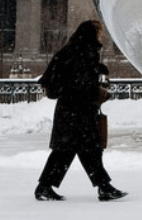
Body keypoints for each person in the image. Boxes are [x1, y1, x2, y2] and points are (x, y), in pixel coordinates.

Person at [34, 20, 128, 202]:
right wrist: (96, 82)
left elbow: (61, 79)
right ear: (91, 34)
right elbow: (80, 82)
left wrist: (95, 72)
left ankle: (46, 187)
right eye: (99, 33)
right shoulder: (84, 53)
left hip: (71, 110)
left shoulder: (72, 51)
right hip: (77, 110)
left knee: (71, 150)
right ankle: (103, 187)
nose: (102, 36)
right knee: (85, 148)